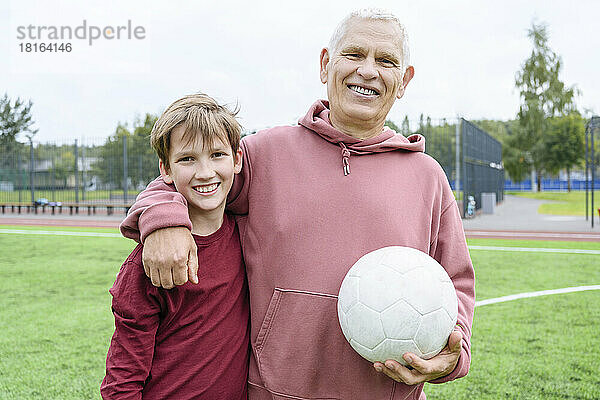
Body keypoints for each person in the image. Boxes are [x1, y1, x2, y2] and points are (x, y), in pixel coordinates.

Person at [120, 9, 475, 400]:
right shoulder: (261, 154)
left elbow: (455, 282)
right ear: (325, 64)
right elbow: (194, 176)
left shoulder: (427, 177)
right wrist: (164, 219)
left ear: (404, 80)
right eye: (354, 54)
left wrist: (451, 356)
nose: (368, 71)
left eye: (386, 61)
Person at [101, 94, 249, 399]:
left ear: (237, 160)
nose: (205, 172)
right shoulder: (150, 261)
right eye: (187, 159)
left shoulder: (248, 234)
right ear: (165, 170)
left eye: (217, 155)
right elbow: (123, 378)